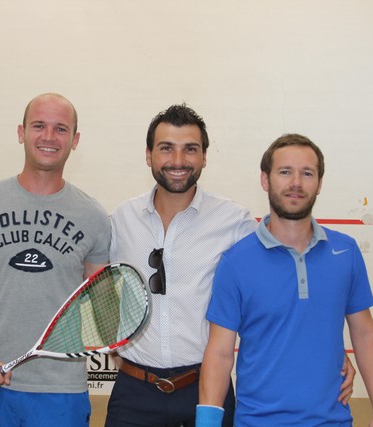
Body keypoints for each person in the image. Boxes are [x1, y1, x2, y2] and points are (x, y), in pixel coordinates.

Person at [105, 106, 356, 427]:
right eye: (166, 148)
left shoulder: (235, 222)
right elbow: (101, 288)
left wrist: (331, 350)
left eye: (190, 149)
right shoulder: (121, 219)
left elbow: (284, 285)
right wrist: (115, 347)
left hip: (208, 388)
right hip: (133, 393)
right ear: (148, 155)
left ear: (204, 157)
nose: (178, 160)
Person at [197, 134, 373, 426]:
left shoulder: (345, 251)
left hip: (332, 421)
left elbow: (364, 333)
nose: (296, 183)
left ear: (320, 183)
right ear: (265, 180)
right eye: (285, 172)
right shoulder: (235, 262)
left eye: (307, 173)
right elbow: (220, 353)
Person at [0, 93, 111, 426]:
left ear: (75, 140)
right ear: (21, 132)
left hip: (60, 391)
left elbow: (104, 304)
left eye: (61, 129)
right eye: (38, 126)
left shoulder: (93, 216)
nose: (49, 137)